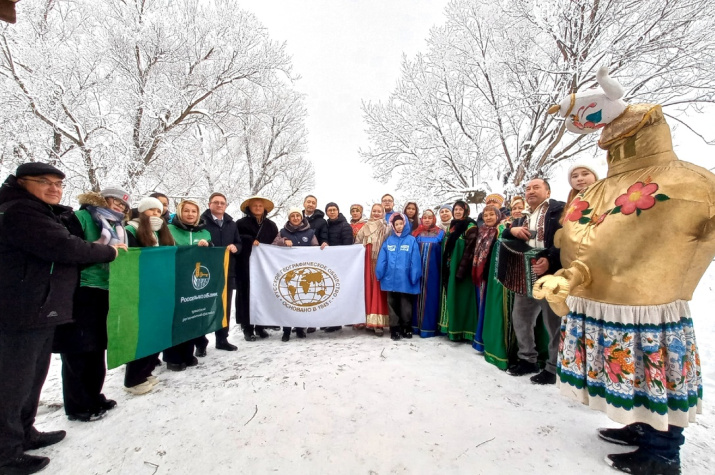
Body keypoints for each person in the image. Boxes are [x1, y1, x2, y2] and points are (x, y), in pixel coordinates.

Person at [539, 68, 715, 473]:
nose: (615, 144)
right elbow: (581, 239)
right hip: (607, 304)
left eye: (625, 135)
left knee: (655, 372)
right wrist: (570, 276)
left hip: (652, 309)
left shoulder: (689, 182)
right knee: (633, 374)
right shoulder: (600, 190)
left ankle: (663, 450)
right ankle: (640, 425)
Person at [0, 162, 120, 475]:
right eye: (45, 182)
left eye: (59, 183)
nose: (54, 188)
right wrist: (106, 252)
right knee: (12, 383)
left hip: (41, 308)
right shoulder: (19, 212)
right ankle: (5, 453)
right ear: (21, 182)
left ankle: (25, 432)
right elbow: (64, 247)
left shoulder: (42, 211)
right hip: (19, 309)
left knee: (33, 378)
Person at [53, 187, 130, 424]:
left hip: (106, 288)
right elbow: (69, 251)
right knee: (78, 347)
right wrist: (104, 252)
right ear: (102, 199)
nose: (119, 207)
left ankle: (94, 395)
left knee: (97, 346)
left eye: (124, 206)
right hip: (81, 288)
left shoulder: (118, 226)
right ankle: (77, 405)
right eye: (115, 201)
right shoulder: (80, 218)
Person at [501, 178, 564, 385]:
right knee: (521, 318)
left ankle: (553, 367)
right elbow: (504, 235)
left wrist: (550, 260)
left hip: (551, 275)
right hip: (526, 276)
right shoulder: (522, 216)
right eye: (527, 188)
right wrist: (512, 230)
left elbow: (568, 240)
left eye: (536, 187)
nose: (530, 191)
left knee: (552, 322)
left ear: (548, 191)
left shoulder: (559, 210)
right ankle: (527, 359)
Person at [123, 197, 175, 395]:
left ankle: (146, 371)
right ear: (142, 211)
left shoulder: (160, 231)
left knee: (156, 332)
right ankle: (133, 379)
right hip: (141, 289)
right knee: (143, 333)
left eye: (158, 211)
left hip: (159, 288)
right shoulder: (130, 230)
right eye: (150, 211)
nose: (155, 214)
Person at [163, 199, 211, 371]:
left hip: (194, 282)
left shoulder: (204, 233)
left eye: (193, 211)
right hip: (174, 279)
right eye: (186, 211)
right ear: (180, 212)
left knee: (191, 317)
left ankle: (187, 353)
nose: (190, 214)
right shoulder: (168, 230)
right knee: (175, 318)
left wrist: (209, 246)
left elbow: (210, 256)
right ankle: (172, 357)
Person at [196, 192, 241, 355]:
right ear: (209, 204)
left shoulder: (231, 223)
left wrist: (236, 248)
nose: (220, 205)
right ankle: (200, 343)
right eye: (216, 202)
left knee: (224, 306)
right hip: (205, 273)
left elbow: (239, 243)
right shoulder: (200, 222)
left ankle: (222, 339)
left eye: (223, 203)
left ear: (226, 205)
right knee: (202, 306)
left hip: (226, 271)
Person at [457, 205, 502, 353]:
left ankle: (486, 342)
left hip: (492, 276)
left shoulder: (499, 231)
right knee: (481, 307)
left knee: (488, 309)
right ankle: (479, 340)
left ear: (498, 216)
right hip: (479, 275)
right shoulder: (482, 231)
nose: (488, 218)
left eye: (491, 215)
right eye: (486, 215)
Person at [271, 207, 319, 341]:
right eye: (293, 216)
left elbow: (316, 247)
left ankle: (299, 328)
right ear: (289, 218)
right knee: (288, 300)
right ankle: (286, 330)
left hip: (304, 272)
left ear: (301, 217)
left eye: (298, 215)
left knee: (301, 299)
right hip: (288, 272)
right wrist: (283, 241)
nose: (296, 218)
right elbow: (273, 245)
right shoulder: (282, 231)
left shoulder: (310, 232)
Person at [236, 196, 279, 341]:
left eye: (260, 206)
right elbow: (236, 240)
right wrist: (248, 239)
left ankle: (261, 325)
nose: (258, 208)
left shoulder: (271, 225)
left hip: (264, 267)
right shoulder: (240, 223)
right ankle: (247, 328)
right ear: (249, 208)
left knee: (262, 294)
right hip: (245, 265)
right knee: (246, 295)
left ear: (264, 208)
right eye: (255, 205)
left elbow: (275, 243)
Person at [376, 213, 422, 341]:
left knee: (405, 304)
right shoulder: (388, 241)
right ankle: (394, 328)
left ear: (405, 224)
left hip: (405, 280)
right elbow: (382, 259)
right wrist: (379, 273)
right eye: (396, 224)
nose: (399, 226)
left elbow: (415, 260)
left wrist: (414, 275)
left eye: (401, 224)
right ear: (393, 226)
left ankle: (406, 327)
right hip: (390, 279)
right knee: (392, 304)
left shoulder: (411, 240)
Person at [439, 200, 478, 342]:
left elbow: (470, 250)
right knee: (452, 297)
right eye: (455, 209)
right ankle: (452, 328)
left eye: (460, 209)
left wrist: (461, 270)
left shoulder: (470, 226)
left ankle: (464, 331)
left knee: (462, 299)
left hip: (463, 269)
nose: (457, 212)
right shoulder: (453, 226)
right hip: (451, 266)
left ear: (466, 211)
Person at [355, 204, 391, 336]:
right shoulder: (365, 227)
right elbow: (357, 244)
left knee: (378, 290)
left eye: (379, 211)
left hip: (380, 261)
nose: (376, 213)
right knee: (367, 289)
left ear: (383, 213)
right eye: (374, 211)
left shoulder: (386, 227)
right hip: (366, 262)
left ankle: (378, 323)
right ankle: (367, 320)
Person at [411, 209, 444, 337]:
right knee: (416, 297)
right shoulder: (416, 234)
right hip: (418, 272)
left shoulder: (441, 233)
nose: (427, 220)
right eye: (424, 217)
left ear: (434, 219)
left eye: (430, 218)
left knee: (431, 298)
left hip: (434, 273)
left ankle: (429, 328)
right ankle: (415, 326)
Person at [323, 202, 353, 332]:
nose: (332, 212)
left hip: (340, 263)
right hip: (328, 262)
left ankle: (337, 322)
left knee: (338, 293)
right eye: (329, 210)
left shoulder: (345, 225)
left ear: (338, 211)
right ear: (327, 213)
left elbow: (347, 245)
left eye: (334, 209)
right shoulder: (326, 225)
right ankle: (328, 320)